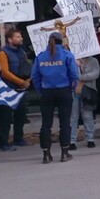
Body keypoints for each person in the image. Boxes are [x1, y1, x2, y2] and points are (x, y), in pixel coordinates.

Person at [32, 32, 78, 164]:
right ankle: (65, 152)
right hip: (64, 91)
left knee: (46, 124)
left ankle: (46, 154)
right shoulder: (67, 55)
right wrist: (73, 88)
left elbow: (35, 76)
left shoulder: (41, 56)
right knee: (65, 122)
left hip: (47, 91)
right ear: (61, 41)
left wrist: (40, 90)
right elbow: (74, 75)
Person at [0, 29, 31, 151]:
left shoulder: (22, 52)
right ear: (10, 39)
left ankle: (18, 139)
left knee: (21, 115)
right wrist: (21, 82)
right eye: (18, 37)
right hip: (7, 90)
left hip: (20, 90)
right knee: (5, 118)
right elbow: (5, 73)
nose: (21, 39)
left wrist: (28, 81)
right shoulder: (2, 54)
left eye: (21, 37)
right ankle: (4, 142)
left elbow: (27, 68)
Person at [69, 56, 100, 150]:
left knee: (87, 115)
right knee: (73, 116)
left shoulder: (93, 60)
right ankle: (72, 140)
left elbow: (95, 74)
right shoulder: (71, 60)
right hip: (74, 91)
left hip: (87, 91)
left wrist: (79, 77)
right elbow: (68, 74)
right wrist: (76, 66)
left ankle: (90, 139)